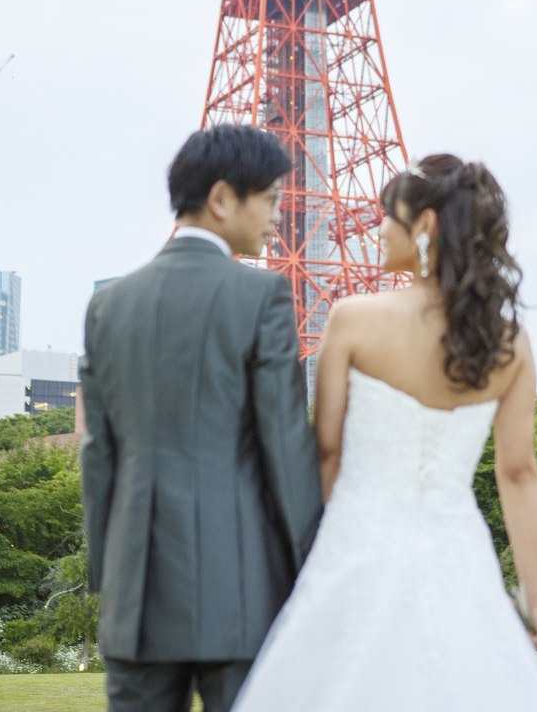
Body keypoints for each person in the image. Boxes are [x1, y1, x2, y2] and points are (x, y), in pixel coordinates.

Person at [233, 154, 537, 712]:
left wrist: (312, 554)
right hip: (457, 550)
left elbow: (326, 453)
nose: (377, 230)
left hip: (355, 542)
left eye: (387, 217)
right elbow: (518, 473)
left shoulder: (353, 319)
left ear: (425, 225)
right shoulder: (510, 343)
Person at [80, 125, 323, 712]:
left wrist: (108, 575)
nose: (276, 217)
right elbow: (285, 444)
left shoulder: (107, 306)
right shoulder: (261, 296)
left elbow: (98, 456)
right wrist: (313, 563)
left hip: (135, 592)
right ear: (221, 198)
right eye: (269, 199)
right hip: (241, 585)